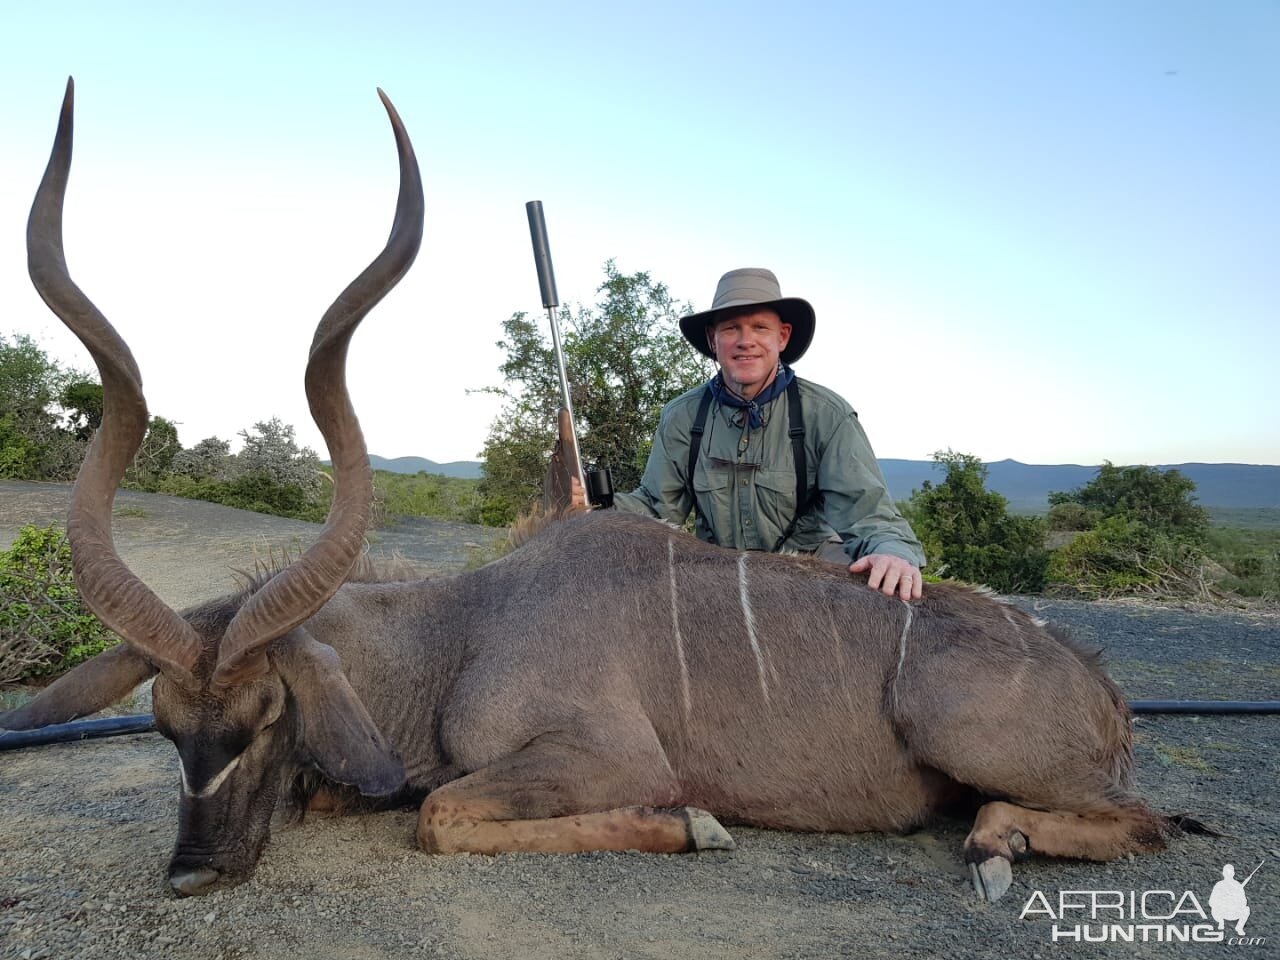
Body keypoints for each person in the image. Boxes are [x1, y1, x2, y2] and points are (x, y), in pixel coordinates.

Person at [576, 267, 925, 601]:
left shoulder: (826, 414)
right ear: (714, 340)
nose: (746, 342)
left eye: (760, 327)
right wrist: (593, 502)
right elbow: (657, 508)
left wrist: (891, 554)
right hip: (719, 573)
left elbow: (867, 514)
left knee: (879, 597)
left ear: (782, 336)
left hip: (807, 569)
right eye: (731, 329)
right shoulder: (683, 415)